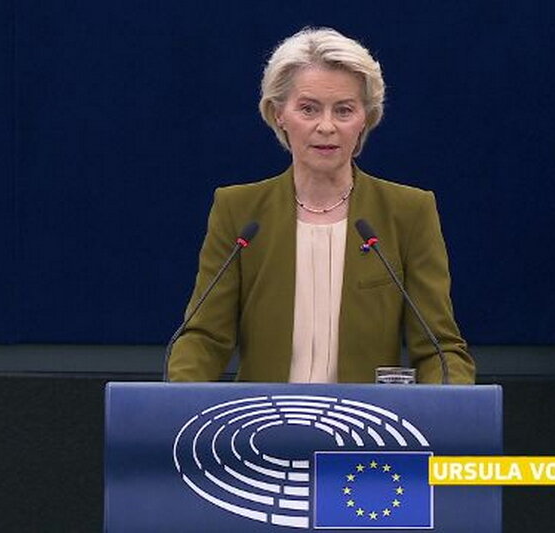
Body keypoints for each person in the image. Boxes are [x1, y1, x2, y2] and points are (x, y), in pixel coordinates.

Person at [168, 27, 475, 384]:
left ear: (366, 118)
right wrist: (177, 401)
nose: (326, 126)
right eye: (308, 109)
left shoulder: (408, 212)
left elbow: (439, 348)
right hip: (264, 416)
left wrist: (451, 404)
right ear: (278, 113)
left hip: (362, 419)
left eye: (344, 110)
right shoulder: (239, 211)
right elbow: (204, 338)